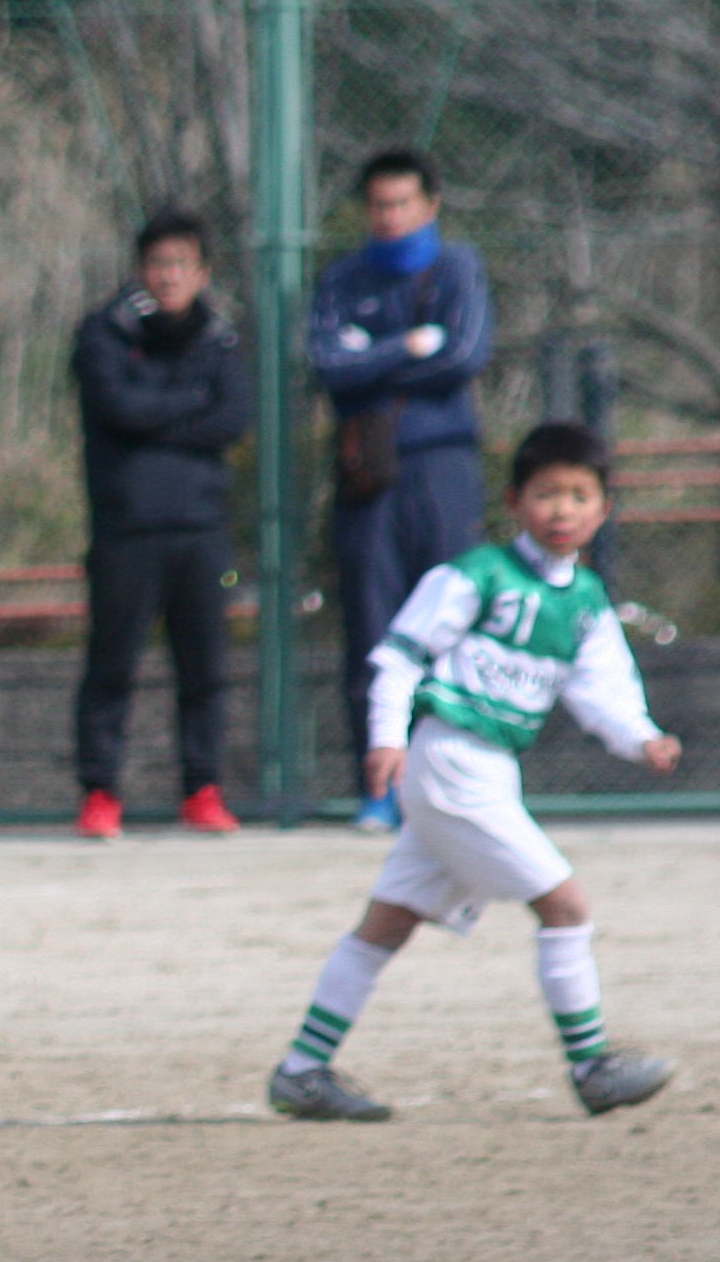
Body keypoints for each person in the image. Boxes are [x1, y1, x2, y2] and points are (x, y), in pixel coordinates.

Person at [266, 424, 681, 1125]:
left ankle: (302, 1071)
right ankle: (592, 1068)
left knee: (387, 922)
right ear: (513, 502)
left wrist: (641, 738)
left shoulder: (584, 601)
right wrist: (386, 737)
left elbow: (602, 691)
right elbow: (399, 657)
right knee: (565, 907)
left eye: (579, 495)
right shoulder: (474, 575)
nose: (562, 509)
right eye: (546, 493)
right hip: (450, 761)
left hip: (489, 771)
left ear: (603, 509)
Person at [313, 147, 494, 832]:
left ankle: (453, 780)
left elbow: (464, 355)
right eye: (377, 205)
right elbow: (330, 366)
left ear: (430, 205)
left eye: (401, 203)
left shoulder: (457, 267)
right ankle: (378, 788)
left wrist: (373, 356)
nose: (388, 216)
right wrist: (410, 346)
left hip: (443, 465)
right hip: (369, 471)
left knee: (452, 618)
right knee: (372, 623)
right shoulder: (340, 279)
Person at [70, 208, 250, 840]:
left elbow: (232, 417)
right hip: (126, 530)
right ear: (139, 270)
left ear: (201, 273)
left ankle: (202, 789)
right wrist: (190, 406)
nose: (168, 275)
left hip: (202, 531)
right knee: (112, 665)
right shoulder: (103, 332)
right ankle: (100, 794)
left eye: (180, 264)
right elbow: (116, 407)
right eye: (157, 264)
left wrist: (155, 417)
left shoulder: (220, 339)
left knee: (205, 668)